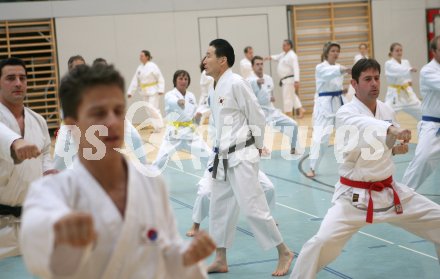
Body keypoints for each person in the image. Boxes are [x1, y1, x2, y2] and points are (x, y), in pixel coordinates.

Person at [20, 64, 216, 279]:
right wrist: (59, 233)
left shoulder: (152, 184)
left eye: (119, 111)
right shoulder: (51, 193)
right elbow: (37, 247)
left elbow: (167, 253)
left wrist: (185, 259)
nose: (112, 122)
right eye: (99, 113)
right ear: (72, 126)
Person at [290, 58, 440, 279]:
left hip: (390, 193)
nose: (374, 84)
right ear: (354, 84)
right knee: (320, 242)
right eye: (367, 79)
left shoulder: (387, 110)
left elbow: (384, 146)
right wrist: (390, 129)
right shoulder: (345, 113)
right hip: (354, 198)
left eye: (377, 78)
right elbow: (364, 126)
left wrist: (394, 147)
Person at [204, 38, 293, 276]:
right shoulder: (214, 86)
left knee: (253, 208)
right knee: (218, 208)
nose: (205, 60)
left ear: (222, 61)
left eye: (209, 55)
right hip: (222, 157)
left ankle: (284, 251)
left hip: (242, 154)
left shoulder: (236, 83)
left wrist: (259, 146)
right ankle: (221, 258)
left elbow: (257, 115)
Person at [0, 57, 56, 260]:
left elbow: (44, 156)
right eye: (10, 78)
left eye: (22, 78)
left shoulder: (38, 120)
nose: (18, 83)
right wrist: (15, 142)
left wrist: (49, 173)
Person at [54, 57, 147, 170]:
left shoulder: (92, 84)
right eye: (77, 67)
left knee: (135, 137)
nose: (81, 69)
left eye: (83, 66)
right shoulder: (67, 87)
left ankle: (145, 166)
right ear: (70, 69)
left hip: (101, 122)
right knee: (62, 157)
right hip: (74, 126)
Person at [306, 42, 351, 178]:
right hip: (324, 105)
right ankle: (312, 167)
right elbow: (328, 75)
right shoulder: (320, 67)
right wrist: (344, 70)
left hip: (339, 101)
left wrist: (341, 89)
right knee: (321, 138)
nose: (335, 53)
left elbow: (335, 82)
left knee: (348, 133)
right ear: (327, 53)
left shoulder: (339, 67)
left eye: (337, 51)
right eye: (333, 51)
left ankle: (351, 165)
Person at [402, 36, 440, 189]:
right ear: (433, 52)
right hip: (433, 126)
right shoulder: (428, 70)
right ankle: (402, 195)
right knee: (423, 160)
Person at [153, 70, 211, 170]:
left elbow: (194, 117)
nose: (183, 81)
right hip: (174, 135)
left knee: (209, 156)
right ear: (175, 81)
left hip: (190, 134)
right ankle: (148, 179)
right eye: (180, 78)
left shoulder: (191, 96)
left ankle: (214, 178)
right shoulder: (170, 95)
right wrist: (178, 102)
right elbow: (171, 102)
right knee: (159, 161)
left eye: (186, 79)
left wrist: (197, 118)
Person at [248, 55, 299, 155]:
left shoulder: (268, 78)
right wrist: (257, 82)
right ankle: (259, 148)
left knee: (293, 124)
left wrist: (271, 97)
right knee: (256, 133)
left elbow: (270, 94)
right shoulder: (249, 80)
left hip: (270, 110)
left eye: (261, 64)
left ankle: (293, 147)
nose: (260, 66)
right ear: (253, 67)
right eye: (257, 64)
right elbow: (250, 87)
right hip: (257, 112)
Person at [127, 50, 165, 132]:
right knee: (148, 110)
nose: (140, 57)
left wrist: (161, 89)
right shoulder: (139, 68)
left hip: (153, 91)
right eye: (140, 56)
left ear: (147, 57)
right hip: (144, 91)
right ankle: (157, 128)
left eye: (142, 56)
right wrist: (131, 92)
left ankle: (160, 125)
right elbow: (135, 80)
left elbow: (160, 77)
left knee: (153, 108)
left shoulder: (153, 66)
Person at [266, 39, 305, 118]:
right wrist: (270, 57)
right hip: (285, 80)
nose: (282, 46)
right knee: (292, 96)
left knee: (287, 97)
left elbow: (296, 68)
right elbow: (277, 57)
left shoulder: (292, 55)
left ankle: (288, 114)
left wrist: (297, 81)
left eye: (284, 45)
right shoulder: (284, 54)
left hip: (289, 80)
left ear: (289, 46)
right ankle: (300, 109)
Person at [384, 42, 422, 121]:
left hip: (406, 92)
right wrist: (409, 69)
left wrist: (409, 81)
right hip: (394, 94)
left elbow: (408, 77)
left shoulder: (405, 62)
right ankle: (385, 130)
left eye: (401, 50)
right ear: (391, 52)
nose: (399, 52)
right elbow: (397, 70)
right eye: (397, 51)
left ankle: (425, 129)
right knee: (386, 114)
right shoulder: (389, 63)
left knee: (421, 111)